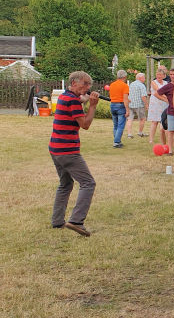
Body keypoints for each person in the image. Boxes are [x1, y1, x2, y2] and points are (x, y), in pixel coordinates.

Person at [49, 71, 100, 236]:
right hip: (68, 150)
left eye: (89, 85)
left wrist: (85, 99)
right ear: (74, 83)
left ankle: (57, 221)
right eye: (84, 84)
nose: (87, 87)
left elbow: (78, 100)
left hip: (55, 148)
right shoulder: (73, 100)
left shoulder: (65, 96)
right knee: (88, 183)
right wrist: (92, 106)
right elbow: (85, 124)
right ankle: (76, 221)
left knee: (65, 184)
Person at [157, 68, 174, 155]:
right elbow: (157, 93)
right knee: (171, 131)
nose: (172, 76)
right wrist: (166, 99)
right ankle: (170, 150)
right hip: (171, 111)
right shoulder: (168, 86)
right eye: (171, 74)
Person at [146, 66, 169, 146]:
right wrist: (165, 97)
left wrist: (167, 98)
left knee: (163, 122)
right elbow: (158, 90)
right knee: (154, 121)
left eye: (160, 75)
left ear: (164, 76)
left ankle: (163, 139)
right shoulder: (153, 82)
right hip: (155, 103)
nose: (159, 76)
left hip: (164, 103)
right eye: (157, 74)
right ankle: (151, 139)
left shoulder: (166, 83)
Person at [108, 69, 129, 148]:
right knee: (121, 125)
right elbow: (125, 99)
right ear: (124, 77)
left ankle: (117, 141)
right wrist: (127, 110)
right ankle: (116, 142)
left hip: (113, 104)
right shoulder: (125, 86)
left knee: (115, 125)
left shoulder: (112, 85)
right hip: (121, 105)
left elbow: (113, 96)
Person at [126, 72, 148, 138]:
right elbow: (143, 96)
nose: (145, 79)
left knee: (130, 119)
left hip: (131, 104)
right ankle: (140, 132)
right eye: (144, 78)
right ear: (140, 78)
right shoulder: (141, 85)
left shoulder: (131, 84)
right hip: (139, 105)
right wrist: (146, 104)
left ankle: (129, 134)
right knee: (142, 119)